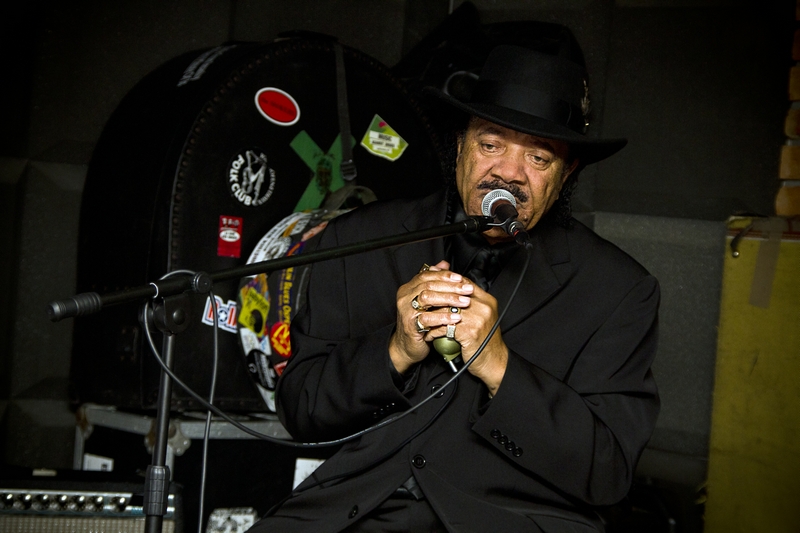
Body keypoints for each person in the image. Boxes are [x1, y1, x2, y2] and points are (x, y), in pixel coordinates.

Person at [249, 44, 660, 532]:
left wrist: (500, 368)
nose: (509, 172)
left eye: (538, 156)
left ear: (566, 173)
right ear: (460, 144)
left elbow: (608, 472)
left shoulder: (619, 289)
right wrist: (394, 352)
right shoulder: (361, 239)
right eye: (491, 144)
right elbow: (302, 411)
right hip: (353, 512)